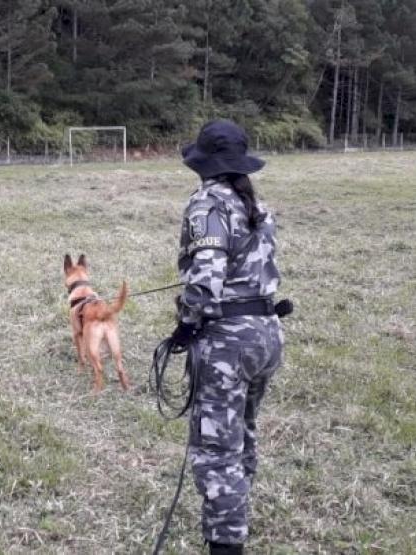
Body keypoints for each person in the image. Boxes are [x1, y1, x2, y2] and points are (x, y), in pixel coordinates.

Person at [171, 120, 285, 555]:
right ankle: (235, 512)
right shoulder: (253, 201)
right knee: (242, 435)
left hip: (227, 344)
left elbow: (206, 281)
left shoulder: (208, 204)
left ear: (205, 164)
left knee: (217, 447)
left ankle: (225, 543)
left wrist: (185, 324)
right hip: (266, 335)